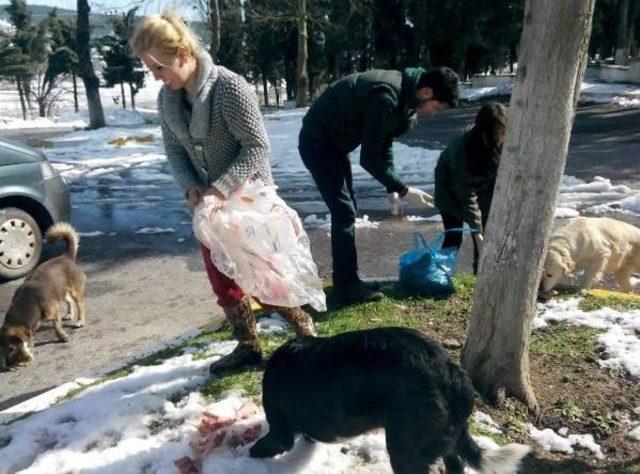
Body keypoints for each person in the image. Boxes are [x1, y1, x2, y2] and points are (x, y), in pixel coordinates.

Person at [130, 12, 316, 374]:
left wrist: (220, 187)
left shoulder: (229, 88)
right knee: (223, 279)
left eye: (160, 68)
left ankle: (305, 332)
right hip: (210, 210)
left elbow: (257, 147)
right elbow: (175, 150)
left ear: (182, 53)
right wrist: (191, 186)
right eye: (151, 71)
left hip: (249, 202)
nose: (157, 78)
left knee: (263, 277)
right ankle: (248, 346)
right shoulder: (168, 100)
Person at [299, 67, 460, 305]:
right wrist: (405, 190)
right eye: (437, 108)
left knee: (347, 210)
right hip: (318, 142)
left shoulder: (406, 101)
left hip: (335, 144)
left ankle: (349, 280)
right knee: (344, 211)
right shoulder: (386, 97)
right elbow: (370, 158)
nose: (434, 114)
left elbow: (384, 145)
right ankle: (346, 286)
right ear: (427, 92)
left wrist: (392, 189)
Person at [434, 102, 507, 274]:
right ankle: (439, 276)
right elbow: (467, 194)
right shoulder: (463, 149)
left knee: (485, 234)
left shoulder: (504, 139)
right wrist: (476, 231)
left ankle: (480, 275)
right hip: (450, 191)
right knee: (454, 236)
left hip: (482, 189)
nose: (504, 137)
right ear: (485, 131)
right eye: (500, 133)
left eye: (505, 131)